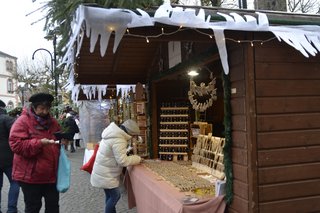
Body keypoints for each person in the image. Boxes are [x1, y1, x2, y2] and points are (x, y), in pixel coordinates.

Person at [9, 93, 65, 213]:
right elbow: (15, 144)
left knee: (53, 207)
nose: (45, 112)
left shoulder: (53, 122)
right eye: (41, 108)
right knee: (33, 208)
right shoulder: (22, 121)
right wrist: (39, 143)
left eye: (47, 108)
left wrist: (63, 140)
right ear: (34, 108)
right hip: (30, 177)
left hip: (51, 175)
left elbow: (57, 139)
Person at [90, 119, 143, 213]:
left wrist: (126, 151)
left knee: (110, 196)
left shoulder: (112, 134)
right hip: (107, 174)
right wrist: (137, 159)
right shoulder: (119, 140)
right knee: (115, 196)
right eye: (133, 135)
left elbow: (113, 153)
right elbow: (122, 161)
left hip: (102, 171)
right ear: (129, 133)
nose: (133, 138)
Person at [0, 100, 20, 213]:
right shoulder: (7, 119)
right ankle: (11, 209)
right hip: (8, 158)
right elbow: (17, 135)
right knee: (15, 182)